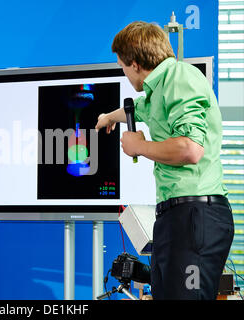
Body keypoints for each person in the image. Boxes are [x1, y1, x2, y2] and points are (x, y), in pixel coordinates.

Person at [95, 21, 234, 300]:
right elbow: (141, 110)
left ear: (134, 63)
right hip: (178, 217)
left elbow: (191, 149)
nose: (123, 73)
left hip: (194, 216)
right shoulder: (159, 90)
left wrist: (141, 146)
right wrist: (110, 117)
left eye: (122, 66)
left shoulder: (179, 77)